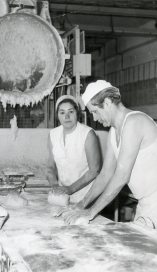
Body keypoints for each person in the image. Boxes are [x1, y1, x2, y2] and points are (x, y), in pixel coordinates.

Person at [56, 80, 157, 228]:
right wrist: (81, 205)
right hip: (145, 203)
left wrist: (91, 212)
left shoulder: (134, 122)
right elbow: (105, 174)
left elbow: (121, 175)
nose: (95, 118)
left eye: (95, 112)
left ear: (108, 102)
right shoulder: (114, 131)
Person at [47, 95, 101, 204]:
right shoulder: (53, 135)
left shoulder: (87, 134)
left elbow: (94, 171)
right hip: (63, 197)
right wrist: (54, 186)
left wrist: (70, 188)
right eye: (62, 112)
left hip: (86, 197)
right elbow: (50, 167)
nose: (66, 116)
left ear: (77, 113)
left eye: (70, 112)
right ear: (57, 116)